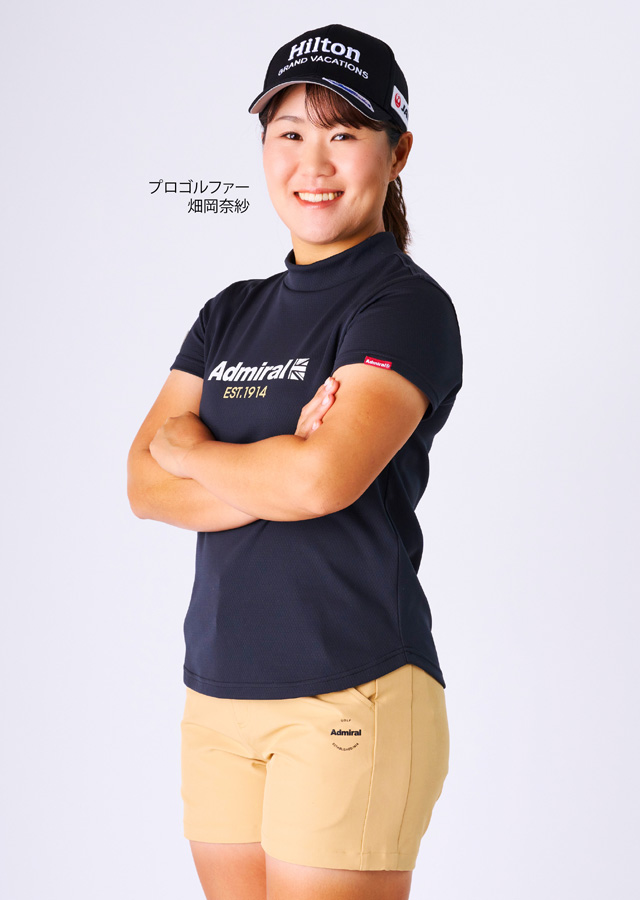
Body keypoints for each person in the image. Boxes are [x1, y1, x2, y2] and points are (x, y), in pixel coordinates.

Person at [127, 23, 463, 900]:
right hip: (218, 692)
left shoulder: (402, 307)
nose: (313, 163)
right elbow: (144, 483)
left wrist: (200, 450)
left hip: (350, 689)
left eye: (344, 133)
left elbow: (321, 481)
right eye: (289, 133)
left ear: (397, 153)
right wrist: (273, 466)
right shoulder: (229, 313)